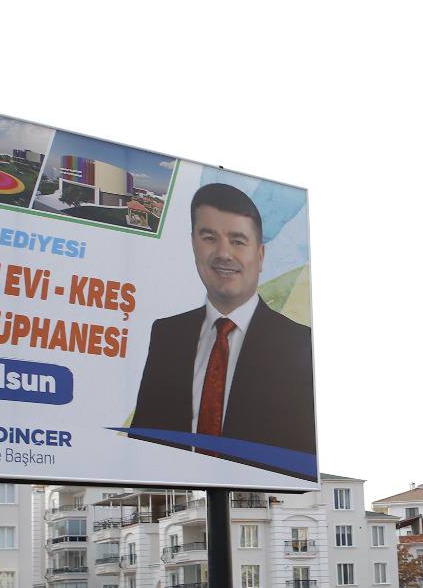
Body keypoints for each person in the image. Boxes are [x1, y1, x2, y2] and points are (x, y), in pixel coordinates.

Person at [129, 183, 316, 479]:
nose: (223, 253)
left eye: (238, 241)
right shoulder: (167, 335)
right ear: (193, 244)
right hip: (180, 497)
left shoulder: (298, 344)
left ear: (260, 254)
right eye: (209, 238)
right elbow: (143, 442)